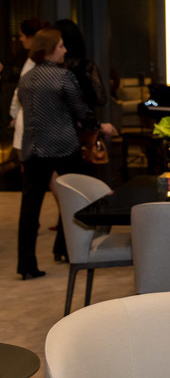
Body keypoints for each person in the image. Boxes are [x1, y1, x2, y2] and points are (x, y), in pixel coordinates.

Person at [16, 28, 115, 280]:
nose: (65, 50)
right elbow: (80, 111)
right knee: (75, 195)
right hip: (62, 146)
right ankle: (64, 248)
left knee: (30, 206)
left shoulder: (26, 79)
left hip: (32, 148)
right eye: (60, 46)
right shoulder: (62, 77)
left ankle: (26, 265)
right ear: (49, 50)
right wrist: (100, 126)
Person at [55, 19, 107, 109]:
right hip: (86, 116)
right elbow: (101, 99)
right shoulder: (88, 67)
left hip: (62, 117)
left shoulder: (52, 69)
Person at [10, 18, 44, 152]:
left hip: (32, 121)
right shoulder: (31, 59)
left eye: (22, 36)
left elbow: (21, 90)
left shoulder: (35, 62)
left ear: (31, 37)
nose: (20, 39)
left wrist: (14, 113)